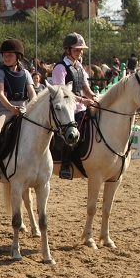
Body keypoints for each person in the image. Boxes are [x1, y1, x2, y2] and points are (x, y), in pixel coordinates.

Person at [0, 38, 36, 181]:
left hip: (23, 110)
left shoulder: (25, 73)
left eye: (10, 56)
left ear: (17, 57)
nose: (6, 58)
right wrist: (12, 108)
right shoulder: (0, 72)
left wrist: (34, 105)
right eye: (5, 56)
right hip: (4, 110)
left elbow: (32, 93)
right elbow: (0, 94)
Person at [51, 32, 97, 180]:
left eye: (81, 50)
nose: (80, 52)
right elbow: (62, 93)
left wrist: (94, 98)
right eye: (77, 50)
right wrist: (82, 101)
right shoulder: (60, 68)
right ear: (67, 50)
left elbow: (86, 88)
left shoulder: (79, 67)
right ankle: (65, 165)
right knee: (71, 131)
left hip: (80, 107)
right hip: (66, 108)